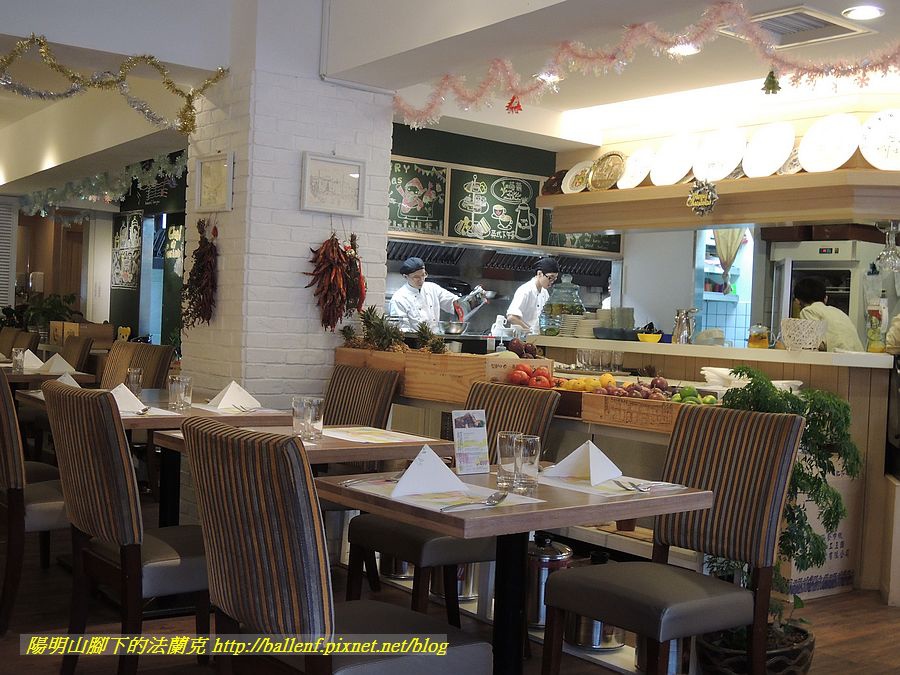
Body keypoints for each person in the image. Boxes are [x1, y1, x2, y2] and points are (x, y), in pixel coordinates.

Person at [793, 277, 864, 352]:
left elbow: (817, 345)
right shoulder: (838, 311)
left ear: (797, 302)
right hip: (860, 357)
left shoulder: (808, 311)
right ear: (825, 299)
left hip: (840, 357)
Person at [389, 257, 458, 332]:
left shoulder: (433, 288)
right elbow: (401, 330)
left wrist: (464, 304)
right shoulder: (399, 299)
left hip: (436, 336)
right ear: (405, 276)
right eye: (416, 277)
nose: (421, 280)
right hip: (413, 338)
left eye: (423, 275)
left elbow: (455, 303)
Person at [506, 257, 559, 333]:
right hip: (522, 338)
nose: (552, 282)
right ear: (539, 274)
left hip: (536, 337)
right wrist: (530, 332)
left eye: (554, 279)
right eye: (550, 278)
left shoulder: (544, 292)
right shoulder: (525, 290)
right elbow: (512, 317)